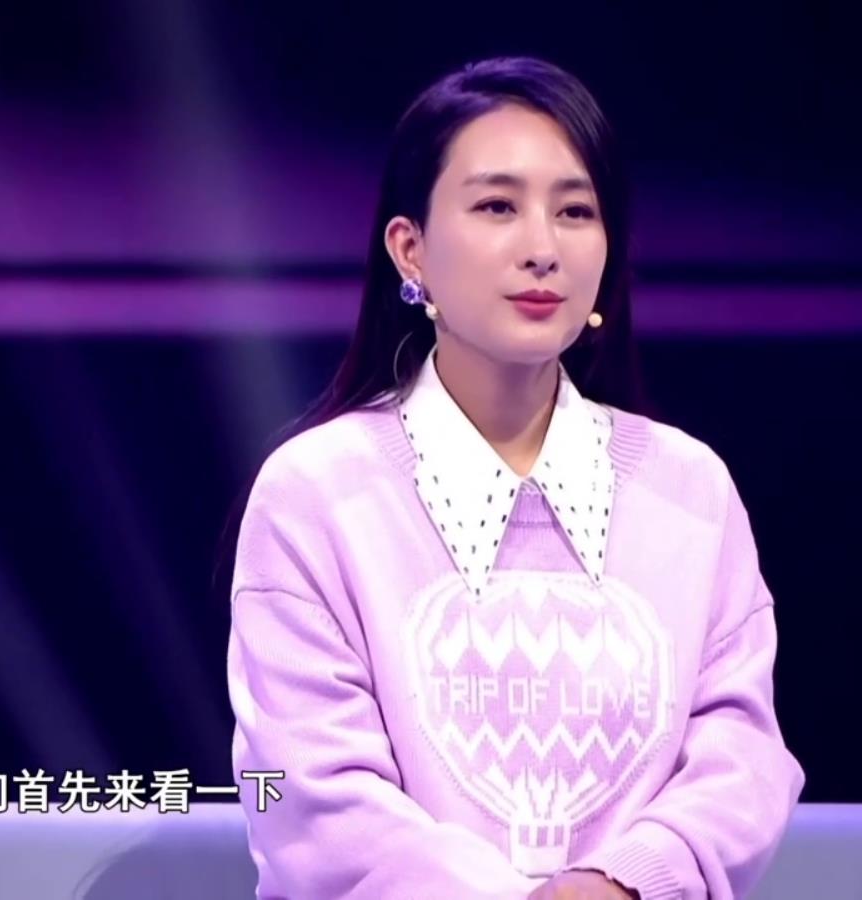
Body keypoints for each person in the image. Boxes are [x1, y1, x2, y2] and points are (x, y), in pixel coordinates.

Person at [220, 55, 804, 899]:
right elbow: (307, 796)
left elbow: (742, 760)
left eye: (575, 212)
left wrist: (624, 882)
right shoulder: (315, 494)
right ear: (410, 250)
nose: (542, 249)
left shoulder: (689, 489)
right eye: (497, 206)